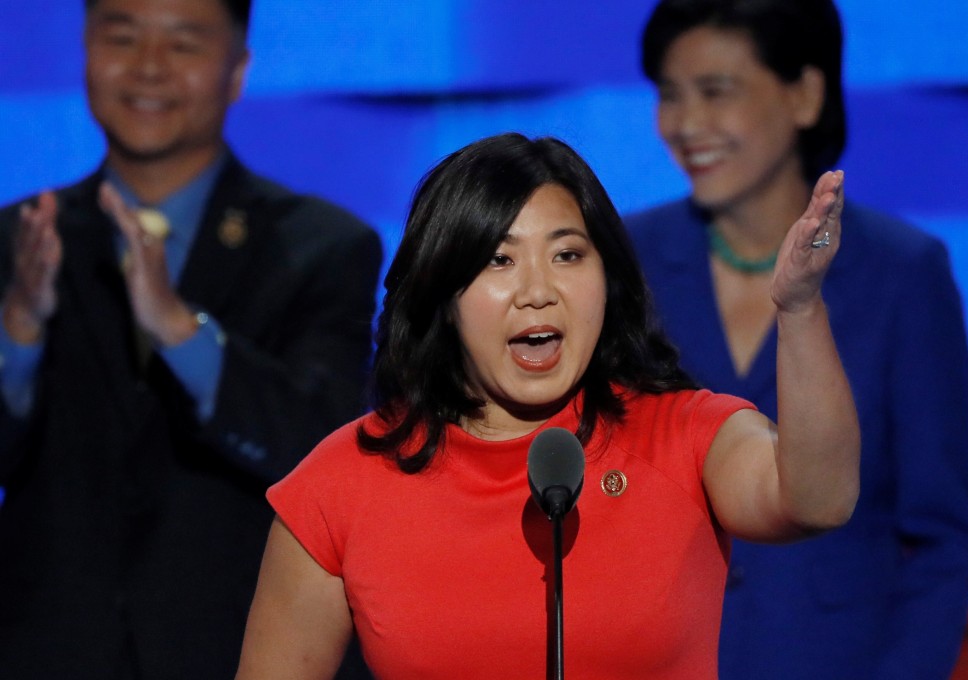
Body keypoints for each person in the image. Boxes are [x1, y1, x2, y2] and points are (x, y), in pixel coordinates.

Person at [234, 132, 859, 679]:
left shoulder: (685, 434)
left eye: (567, 255)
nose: (538, 292)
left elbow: (817, 498)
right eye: (499, 260)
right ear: (441, 291)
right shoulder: (342, 484)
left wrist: (800, 309)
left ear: (607, 279)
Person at [0, 0, 381, 677]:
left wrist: (180, 331)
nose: (148, 68)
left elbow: (322, 449)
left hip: (241, 652)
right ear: (85, 51)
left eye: (183, 44)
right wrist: (20, 331)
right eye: (122, 36)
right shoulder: (19, 242)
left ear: (238, 70)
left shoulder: (323, 246)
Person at [626, 1, 968, 678]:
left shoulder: (904, 272)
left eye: (716, 92)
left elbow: (944, 539)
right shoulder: (621, 261)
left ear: (805, 93)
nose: (685, 125)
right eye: (670, 96)